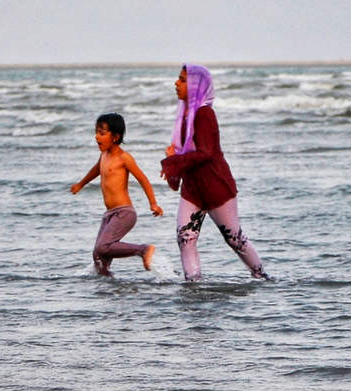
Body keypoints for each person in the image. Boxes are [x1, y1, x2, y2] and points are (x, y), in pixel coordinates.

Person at [160, 64, 269, 281]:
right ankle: (193, 285)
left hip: (215, 186)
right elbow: (185, 157)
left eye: (182, 80)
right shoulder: (184, 117)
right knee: (185, 238)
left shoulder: (204, 114)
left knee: (234, 239)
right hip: (192, 189)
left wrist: (173, 161)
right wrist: (173, 163)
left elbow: (206, 152)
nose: (176, 83)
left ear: (196, 85)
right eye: (179, 79)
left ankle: (262, 278)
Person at [71, 113, 163, 276]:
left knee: (103, 247)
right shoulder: (103, 155)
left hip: (124, 213)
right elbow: (95, 170)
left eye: (101, 133)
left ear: (115, 137)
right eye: (96, 132)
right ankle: (107, 284)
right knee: (98, 255)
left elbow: (143, 179)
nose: (96, 136)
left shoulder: (124, 157)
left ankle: (143, 250)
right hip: (109, 214)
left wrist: (153, 203)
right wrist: (81, 184)